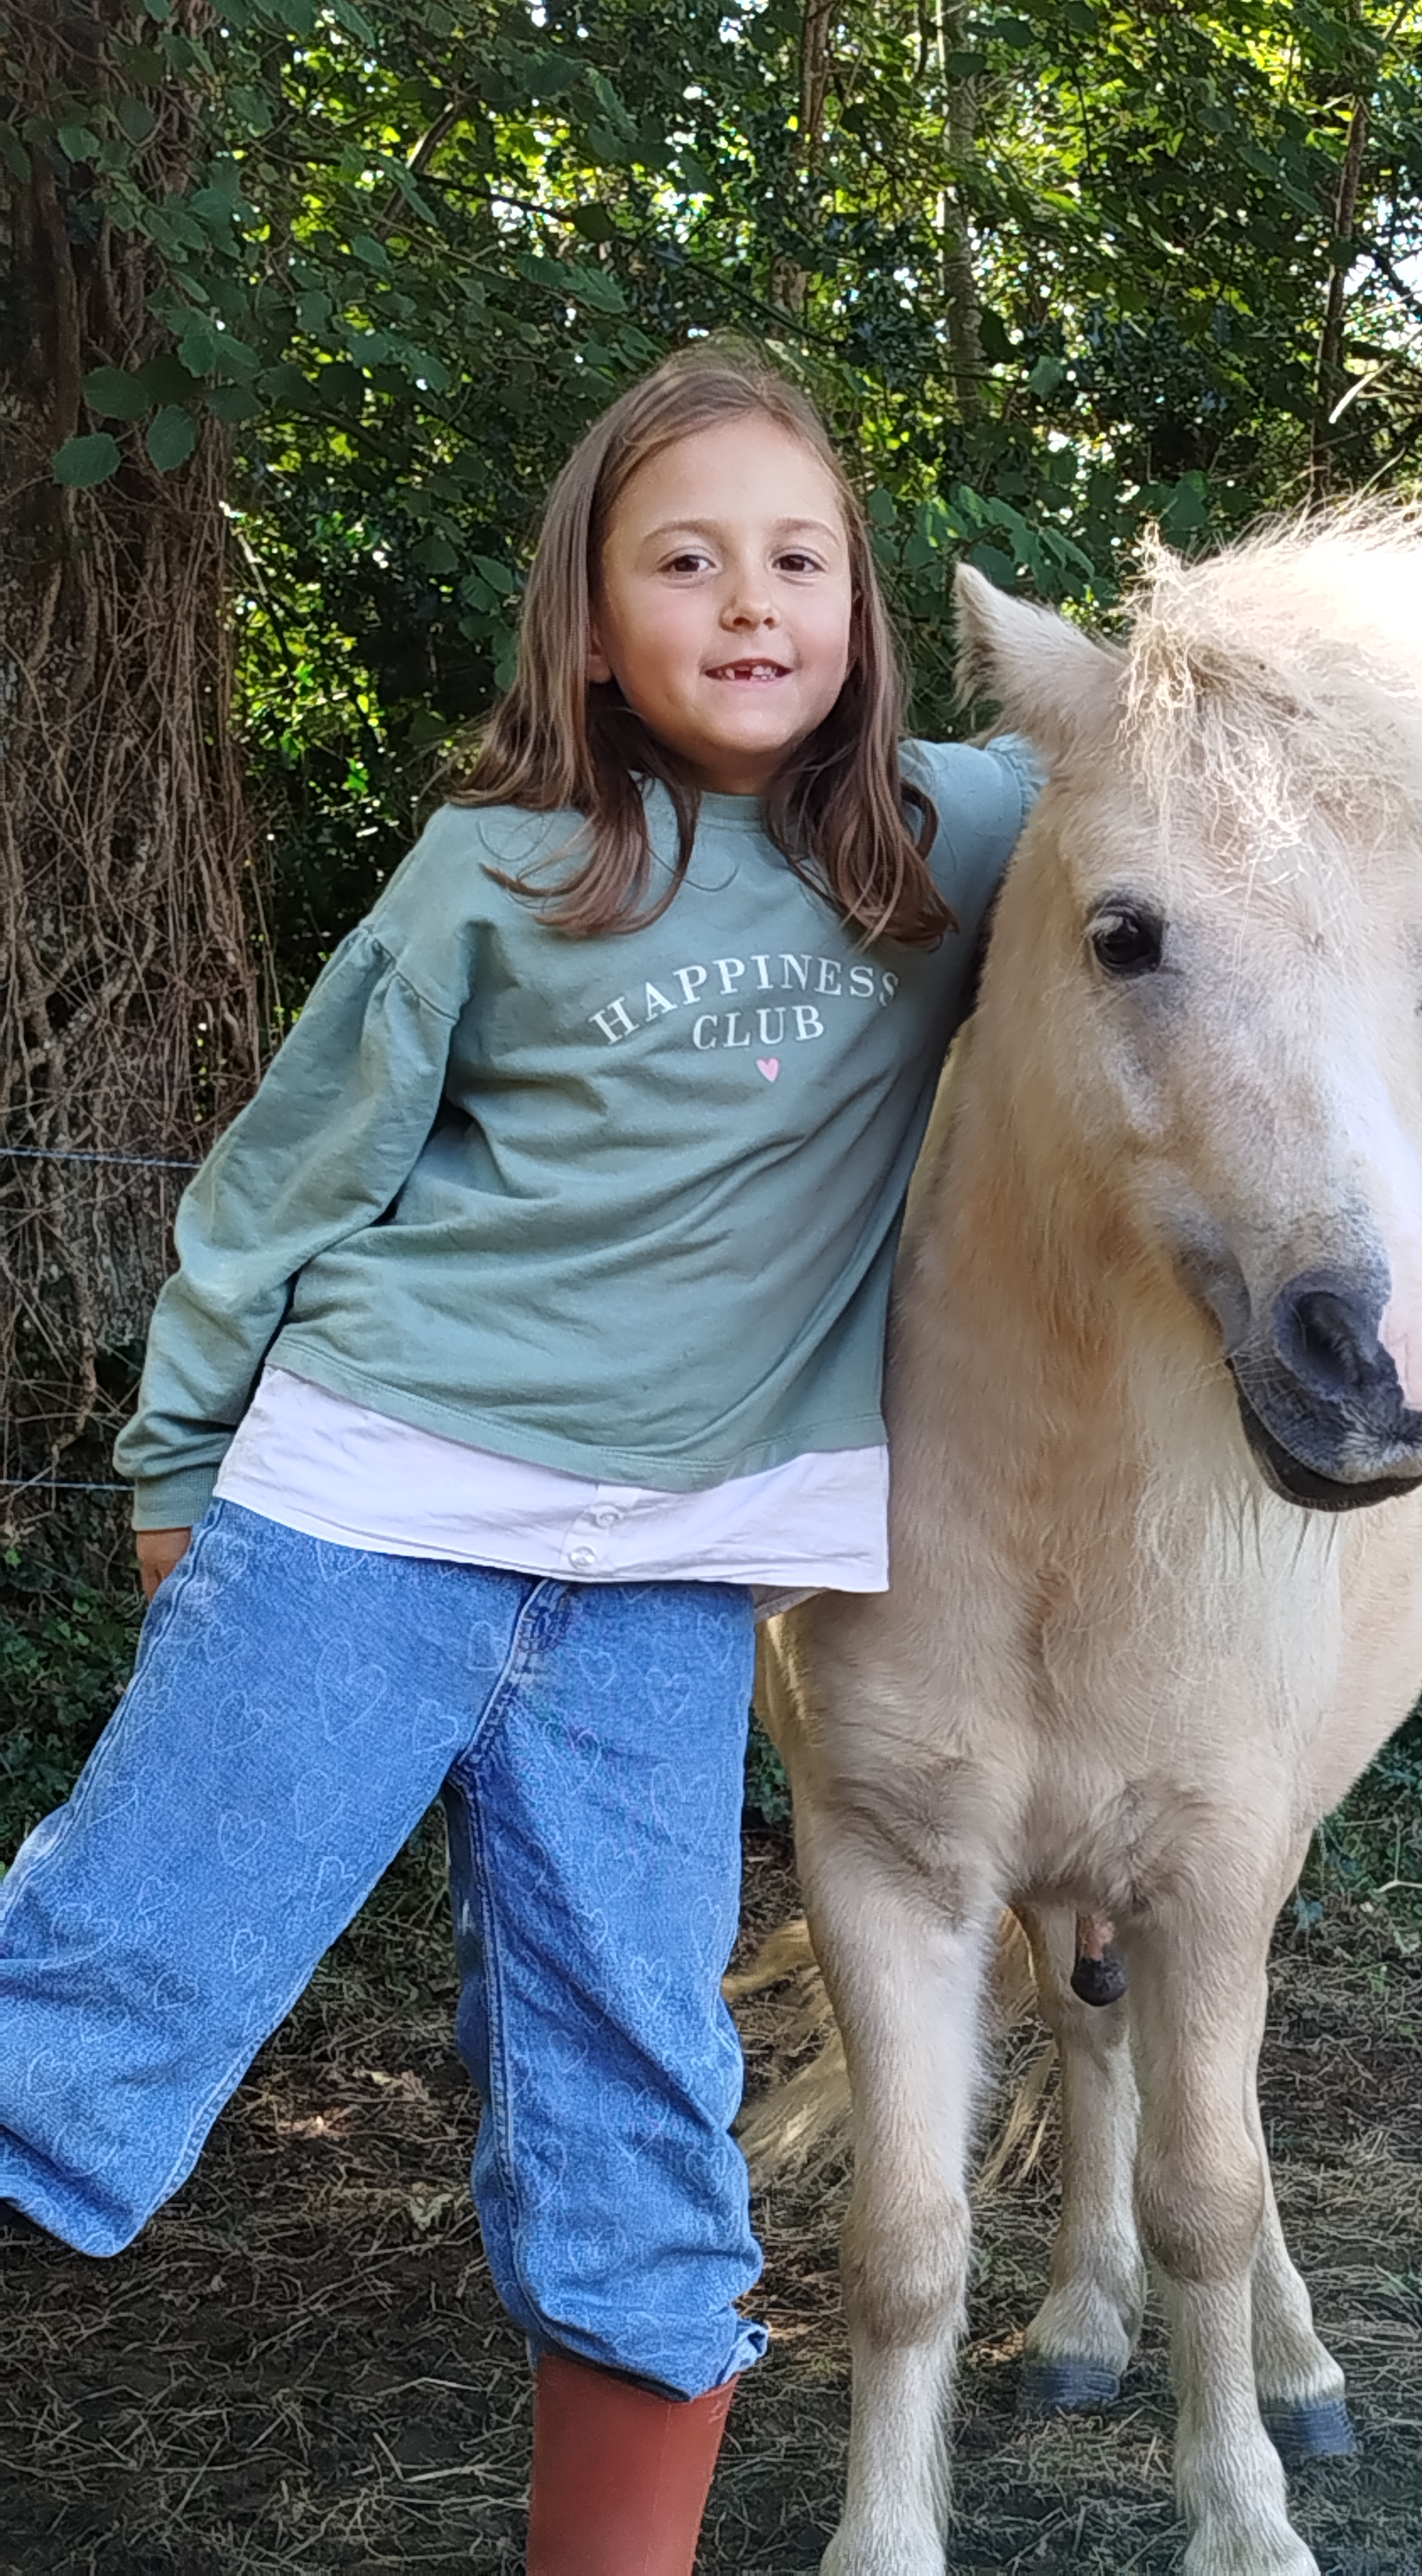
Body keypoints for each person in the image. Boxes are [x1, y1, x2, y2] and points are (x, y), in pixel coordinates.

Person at [0, 347, 1037, 2573]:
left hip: (669, 1594)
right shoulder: (503, 866)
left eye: (799, 556)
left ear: (859, 600)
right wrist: (179, 1476)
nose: (749, 600)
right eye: (685, 561)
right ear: (590, 622)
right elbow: (290, 1182)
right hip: (375, 1513)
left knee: (642, 2112)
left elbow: (1204, 787)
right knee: (103, 1992)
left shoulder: (955, 842)